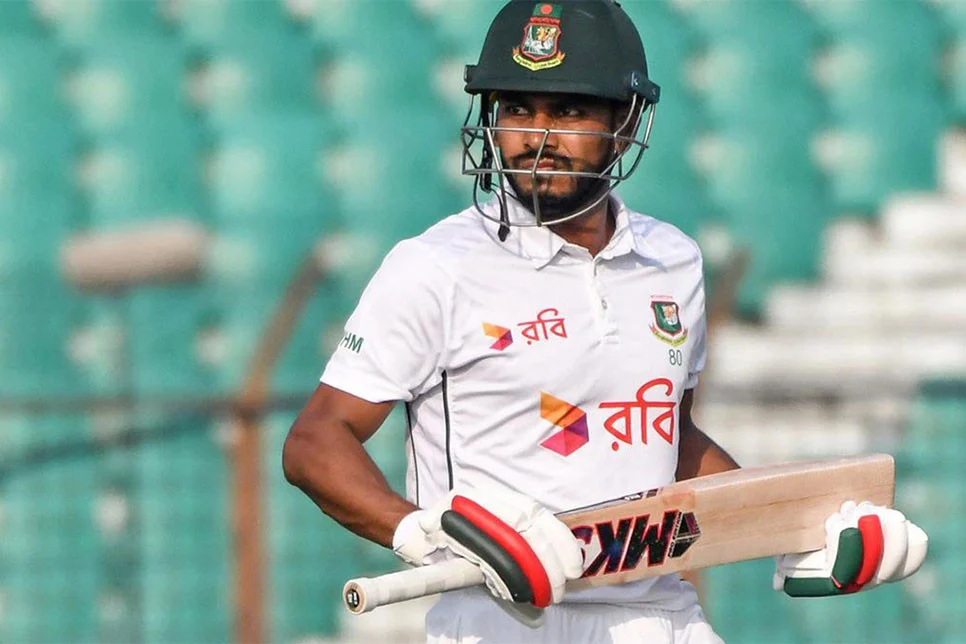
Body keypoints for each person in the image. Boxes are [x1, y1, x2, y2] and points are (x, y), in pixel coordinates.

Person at [283, 1, 927, 642]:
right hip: (504, 620)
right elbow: (315, 440)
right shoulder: (435, 266)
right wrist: (422, 531)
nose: (538, 136)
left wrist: (800, 526)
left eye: (569, 111)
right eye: (517, 109)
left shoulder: (672, 259)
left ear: (625, 122)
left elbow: (667, 440)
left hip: (661, 613)